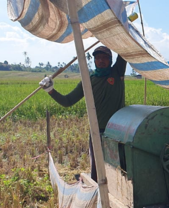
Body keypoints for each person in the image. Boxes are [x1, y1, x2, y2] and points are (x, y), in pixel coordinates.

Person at [39, 45, 127, 181]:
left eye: (105, 58)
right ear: (94, 61)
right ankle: (97, 196)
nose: (101, 60)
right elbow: (67, 101)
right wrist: (50, 90)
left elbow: (122, 49)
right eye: (98, 58)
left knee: (121, 168)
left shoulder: (117, 72)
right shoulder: (88, 81)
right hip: (97, 131)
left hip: (117, 131)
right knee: (97, 170)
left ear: (110, 60)